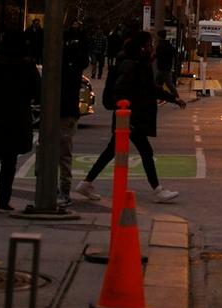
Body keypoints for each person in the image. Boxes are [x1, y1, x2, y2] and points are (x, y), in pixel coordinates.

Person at [76, 31, 184, 204]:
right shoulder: (132, 64)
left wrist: (173, 98)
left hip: (128, 117)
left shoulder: (138, 63)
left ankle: (86, 182)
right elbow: (123, 91)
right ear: (142, 47)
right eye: (150, 44)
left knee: (112, 151)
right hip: (129, 117)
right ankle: (157, 189)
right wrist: (126, 114)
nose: (152, 47)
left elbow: (150, 88)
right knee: (145, 151)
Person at [0, 29, 41, 211]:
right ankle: (3, 200)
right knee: (9, 162)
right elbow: (37, 91)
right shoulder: (27, 66)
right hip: (17, 117)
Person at [58, 25, 91, 208]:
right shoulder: (75, 64)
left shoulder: (62, 61)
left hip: (60, 110)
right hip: (67, 110)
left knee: (56, 152)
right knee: (64, 154)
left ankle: (60, 190)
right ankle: (62, 191)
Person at [154, 29, 176, 95]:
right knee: (160, 83)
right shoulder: (167, 44)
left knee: (167, 83)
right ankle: (161, 95)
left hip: (163, 67)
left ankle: (176, 96)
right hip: (165, 67)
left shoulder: (161, 45)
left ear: (159, 36)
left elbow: (157, 54)